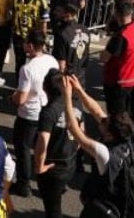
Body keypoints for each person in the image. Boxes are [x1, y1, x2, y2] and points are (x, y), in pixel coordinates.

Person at [62, 73, 134, 218]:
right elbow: (96, 111)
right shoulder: (126, 134)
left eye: (105, 122)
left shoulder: (105, 153)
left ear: (109, 134)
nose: (103, 119)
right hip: (121, 201)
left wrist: (66, 97)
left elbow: (74, 129)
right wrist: (79, 90)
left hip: (104, 206)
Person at [11, 29, 59, 198]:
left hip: (29, 114)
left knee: (23, 148)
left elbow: (21, 98)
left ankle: (23, 185)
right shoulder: (52, 60)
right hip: (48, 110)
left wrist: (13, 98)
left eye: (25, 42)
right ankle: (48, 180)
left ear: (30, 46)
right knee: (45, 146)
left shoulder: (27, 68)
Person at [34, 68, 79, 218]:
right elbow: (82, 133)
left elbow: (42, 143)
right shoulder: (75, 105)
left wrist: (39, 167)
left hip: (53, 168)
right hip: (69, 162)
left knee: (53, 210)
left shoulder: (48, 112)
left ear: (44, 88)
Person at [101, 0, 134, 117]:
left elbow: (104, 58)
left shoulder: (120, 37)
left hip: (118, 83)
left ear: (116, 13)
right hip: (131, 80)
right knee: (129, 116)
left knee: (117, 117)